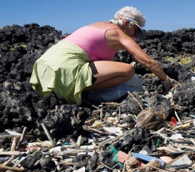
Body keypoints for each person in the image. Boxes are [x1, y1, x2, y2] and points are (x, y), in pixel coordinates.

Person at [30, 6, 176, 104]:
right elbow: (146, 61)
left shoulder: (98, 25)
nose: (136, 35)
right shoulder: (117, 33)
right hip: (65, 68)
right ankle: (81, 93)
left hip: (44, 68)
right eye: (136, 30)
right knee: (128, 71)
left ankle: (71, 90)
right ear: (126, 23)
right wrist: (166, 80)